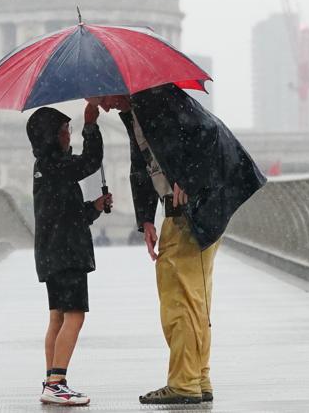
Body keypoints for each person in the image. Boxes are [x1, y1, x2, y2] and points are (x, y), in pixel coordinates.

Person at [98, 85, 266, 406]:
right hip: (182, 211)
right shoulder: (136, 110)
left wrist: (188, 181)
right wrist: (146, 218)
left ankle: (185, 382)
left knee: (181, 297)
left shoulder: (156, 97)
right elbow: (142, 166)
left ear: (115, 85)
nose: (103, 107)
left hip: (197, 209)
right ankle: (197, 377)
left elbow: (207, 132)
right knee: (191, 295)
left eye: (101, 97)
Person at [27, 100, 113, 407]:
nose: (68, 136)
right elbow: (90, 161)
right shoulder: (55, 165)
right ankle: (57, 382)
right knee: (75, 316)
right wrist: (91, 126)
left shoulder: (46, 168)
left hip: (52, 253)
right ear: (51, 136)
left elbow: (68, 213)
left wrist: (95, 208)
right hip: (67, 254)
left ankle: (51, 380)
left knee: (57, 317)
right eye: (65, 131)